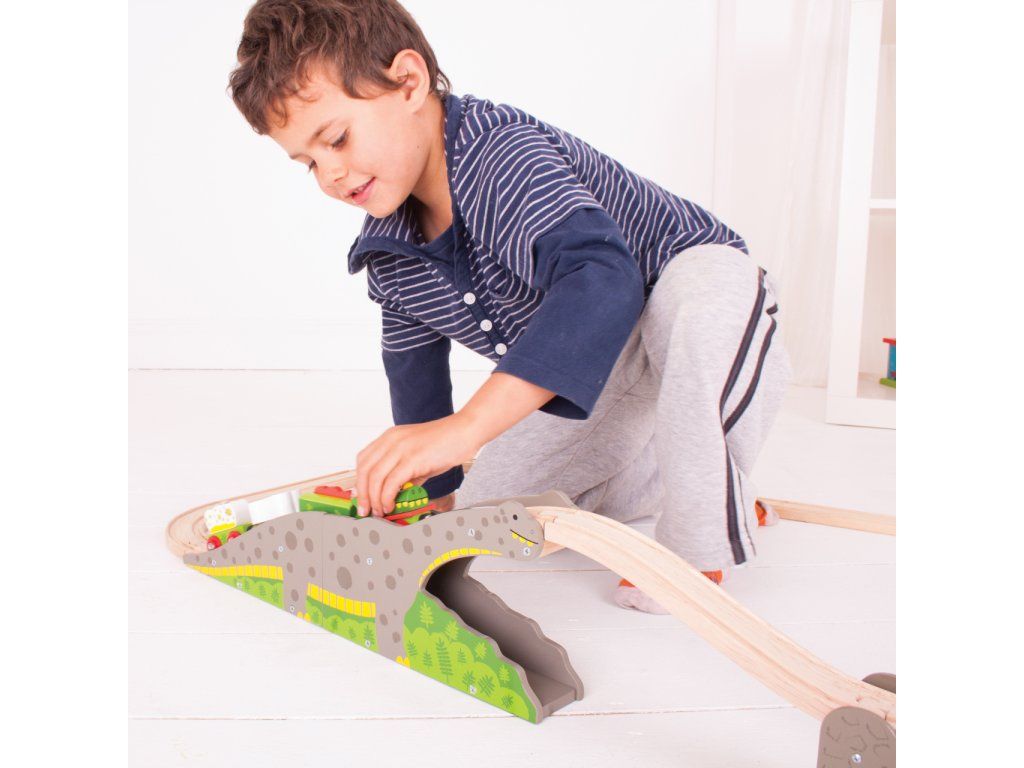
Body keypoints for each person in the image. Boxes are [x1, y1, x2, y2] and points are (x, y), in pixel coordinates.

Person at [228, 0, 792, 613]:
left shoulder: (498, 154)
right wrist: (432, 494)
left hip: (692, 290)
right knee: (493, 509)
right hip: (603, 369)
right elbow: (415, 374)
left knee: (699, 306)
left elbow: (603, 281)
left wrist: (467, 428)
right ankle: (696, 484)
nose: (331, 175)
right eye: (310, 163)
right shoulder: (390, 251)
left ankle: (697, 542)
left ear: (409, 82)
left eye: (337, 139)